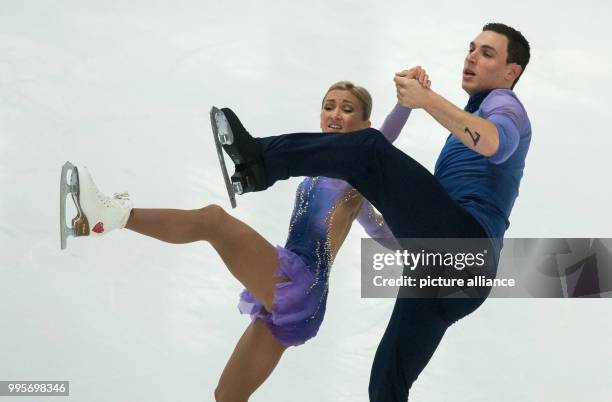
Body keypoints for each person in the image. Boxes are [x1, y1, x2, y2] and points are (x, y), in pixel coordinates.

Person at [213, 22, 531, 401]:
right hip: (448, 275)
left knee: (368, 149)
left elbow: (495, 143)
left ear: (512, 72)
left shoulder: (504, 105)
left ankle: (260, 162)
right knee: (386, 383)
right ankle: (258, 165)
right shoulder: (472, 116)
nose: (472, 57)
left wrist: (425, 100)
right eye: (471, 48)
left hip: (464, 247)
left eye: (487, 53)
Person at [62, 79, 426, 401]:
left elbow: (383, 141)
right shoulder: (332, 173)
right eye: (328, 106)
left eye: (348, 110)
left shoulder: (359, 164)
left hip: (299, 282)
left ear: (364, 125)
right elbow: (378, 230)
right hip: (297, 298)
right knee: (227, 396)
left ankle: (109, 216)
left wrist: (405, 104)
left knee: (212, 220)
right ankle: (94, 220)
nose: (335, 114)